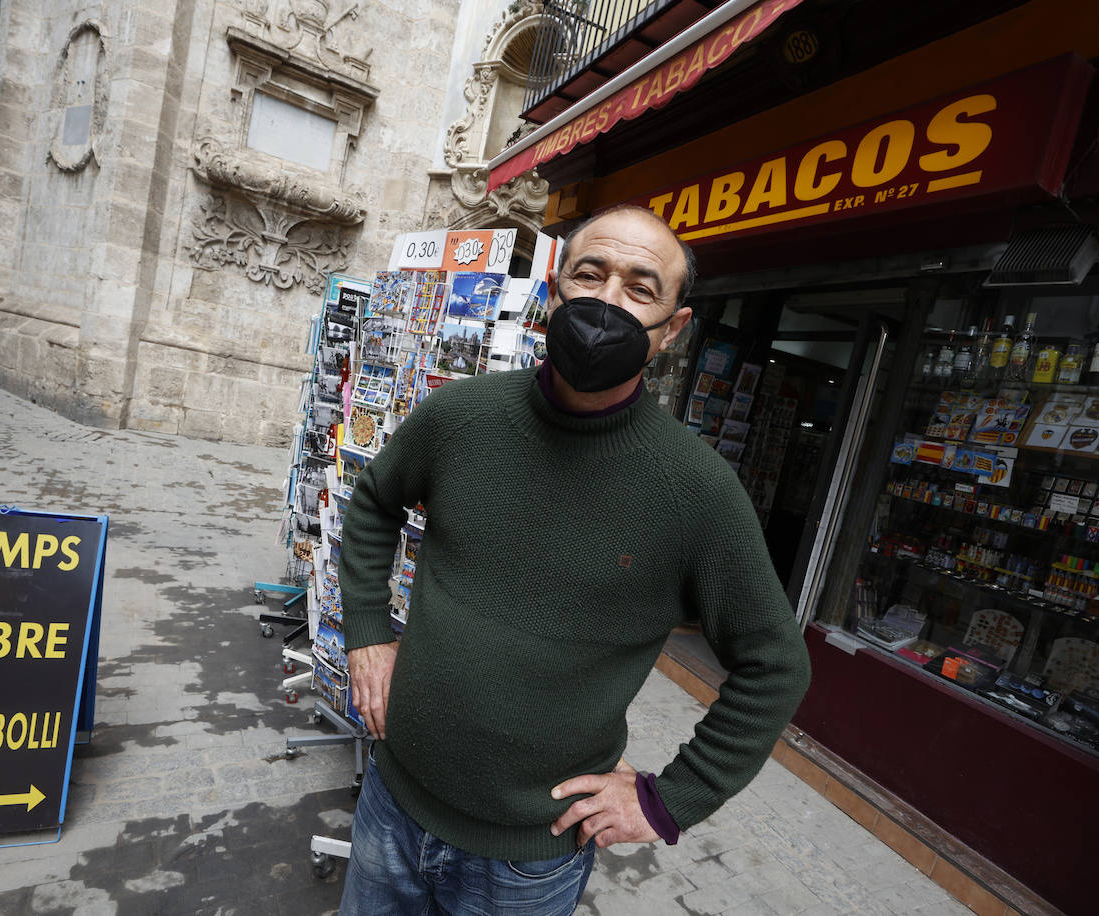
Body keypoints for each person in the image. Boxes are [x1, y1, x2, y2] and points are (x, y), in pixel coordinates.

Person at [336, 205, 812, 915]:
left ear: (671, 331)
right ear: (554, 291)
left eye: (641, 289)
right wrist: (369, 633)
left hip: (527, 863)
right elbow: (373, 503)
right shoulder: (460, 416)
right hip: (390, 803)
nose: (606, 301)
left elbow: (776, 664)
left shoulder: (696, 491)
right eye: (590, 275)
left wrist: (669, 800)